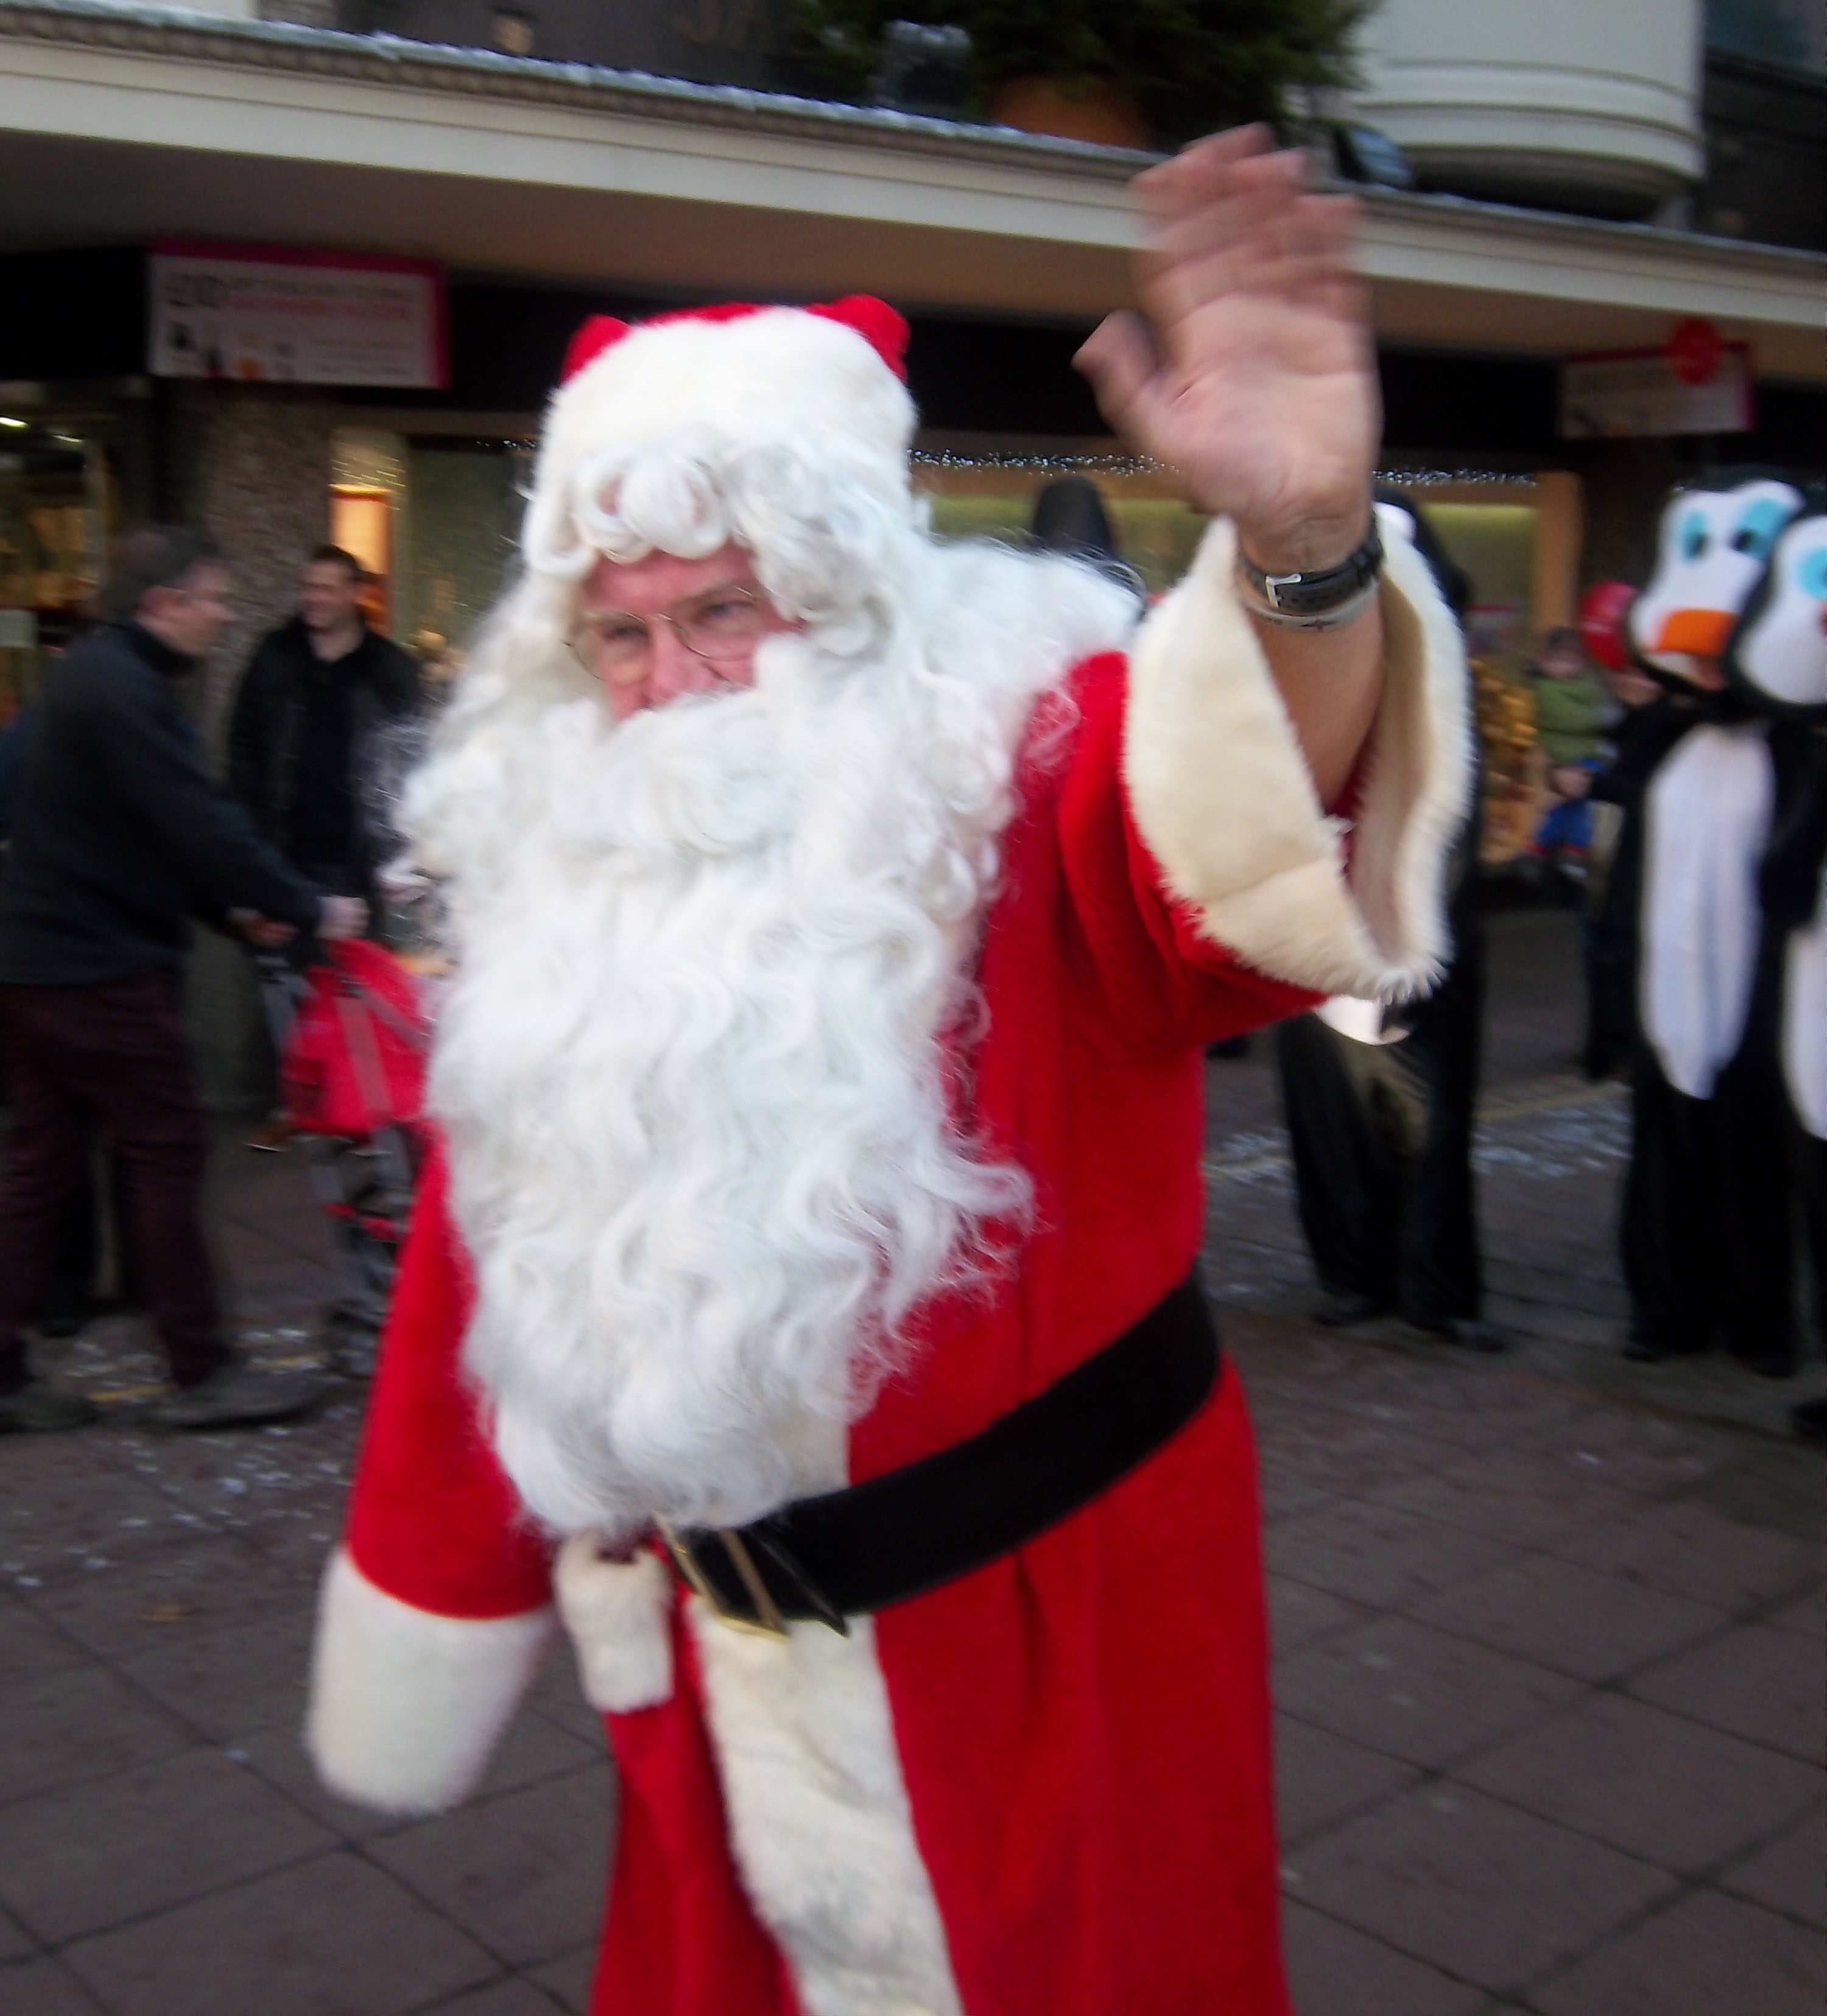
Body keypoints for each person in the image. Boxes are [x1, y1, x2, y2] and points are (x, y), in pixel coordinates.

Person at [306, 129, 1470, 2015]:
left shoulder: (1014, 765)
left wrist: (1305, 552)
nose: (670, 680)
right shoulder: (567, 865)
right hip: (702, 1689)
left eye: (726, 614)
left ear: (844, 606)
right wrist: (431, 1599)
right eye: (625, 631)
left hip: (1054, 1642)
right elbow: (485, 1260)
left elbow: (1247, 848)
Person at [0, 527, 367, 1432]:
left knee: (40, 1169)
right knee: (164, 1153)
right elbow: (195, 821)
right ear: (160, 604)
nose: (226, 612)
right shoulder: (125, 693)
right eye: (211, 597)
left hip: (38, 964)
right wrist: (308, 906)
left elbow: (143, 836)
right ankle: (201, 1368)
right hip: (100, 972)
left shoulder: (91, 677)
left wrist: (233, 914)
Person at [1274, 488, 1498, 1349]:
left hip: (1414, 939)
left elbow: (1454, 823)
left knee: (1428, 1123)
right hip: (1317, 937)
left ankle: (1434, 1285)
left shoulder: (1443, 690)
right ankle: (1351, 1274)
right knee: (1330, 1117)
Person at [1616, 475, 1825, 1379]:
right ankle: (1668, 1305)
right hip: (1665, 986)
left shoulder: (1797, 750)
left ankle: (1759, 1318)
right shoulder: (1665, 735)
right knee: (1668, 1142)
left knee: (1754, 1158)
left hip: (1766, 991)